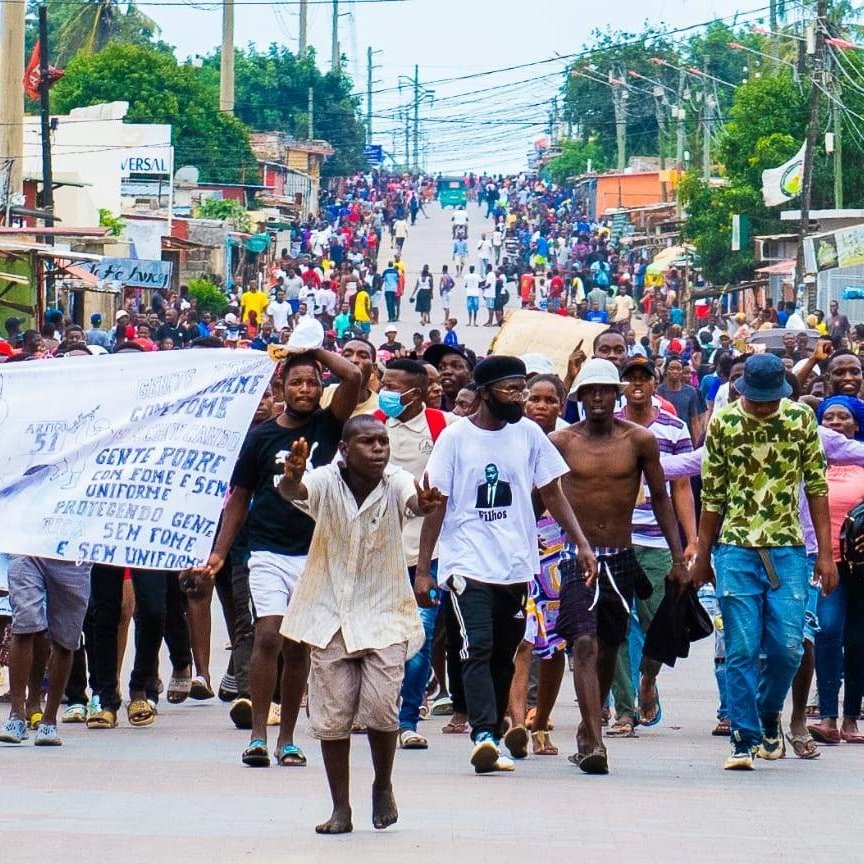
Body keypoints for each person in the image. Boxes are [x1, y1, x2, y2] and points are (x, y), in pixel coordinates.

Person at [417, 356, 596, 774]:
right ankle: (482, 734)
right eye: (510, 390)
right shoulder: (456, 438)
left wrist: (581, 543)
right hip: (466, 563)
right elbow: (436, 504)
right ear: (483, 393)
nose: (520, 397)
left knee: (504, 654)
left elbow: (552, 492)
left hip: (516, 564)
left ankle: (494, 733)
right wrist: (425, 569)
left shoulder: (529, 434)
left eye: (522, 388)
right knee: (476, 646)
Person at [277, 416, 443, 834]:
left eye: (383, 442)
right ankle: (340, 808)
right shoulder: (325, 480)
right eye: (368, 442)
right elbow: (294, 492)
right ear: (345, 451)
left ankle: (383, 784)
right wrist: (292, 476)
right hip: (329, 611)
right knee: (332, 717)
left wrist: (425, 504)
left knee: (382, 709)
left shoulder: (397, 479)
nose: (378, 449)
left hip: (385, 612)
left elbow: (415, 502)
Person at [198, 348, 361, 768]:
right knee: (268, 635)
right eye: (296, 382)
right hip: (266, 550)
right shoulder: (260, 437)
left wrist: (311, 351)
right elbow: (239, 499)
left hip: (315, 552)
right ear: (281, 388)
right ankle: (256, 735)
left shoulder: (330, 424)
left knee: (297, 646)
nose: (305, 389)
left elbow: (355, 377)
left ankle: (287, 737)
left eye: (312, 382)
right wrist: (218, 552)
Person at [691, 353, 837, 770]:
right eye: (756, 399)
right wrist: (702, 555)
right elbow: (713, 494)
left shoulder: (799, 421)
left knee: (788, 647)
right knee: (741, 646)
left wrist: (825, 555)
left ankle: (769, 711)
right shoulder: (724, 423)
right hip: (735, 546)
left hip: (788, 547)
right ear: (741, 391)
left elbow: (817, 486)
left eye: (770, 399)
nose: (763, 406)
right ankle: (743, 737)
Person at [550, 358, 688, 774]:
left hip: (621, 557)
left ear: (619, 394)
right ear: (578, 397)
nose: (598, 397)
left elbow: (662, 498)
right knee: (584, 644)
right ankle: (594, 740)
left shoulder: (640, 440)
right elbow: (543, 496)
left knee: (611, 644)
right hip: (577, 559)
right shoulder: (561, 442)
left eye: (606, 390)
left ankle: (588, 727)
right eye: (590, 391)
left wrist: (679, 556)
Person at [608, 356, 698, 737]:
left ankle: (648, 679)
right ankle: (624, 710)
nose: (638, 383)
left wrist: (690, 539)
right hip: (616, 540)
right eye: (631, 378)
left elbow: (680, 487)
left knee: (661, 625)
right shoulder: (609, 425)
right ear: (623, 385)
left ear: (655, 382)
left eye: (645, 377)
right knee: (613, 628)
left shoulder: (673, 428)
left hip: (658, 541)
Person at [371, 359, 451, 750]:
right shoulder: (371, 424)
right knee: (375, 635)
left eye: (392, 385)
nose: (383, 390)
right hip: (375, 550)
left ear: (415, 394)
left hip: (427, 553)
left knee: (420, 635)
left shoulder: (443, 428)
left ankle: (407, 719)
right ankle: (376, 711)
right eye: (382, 382)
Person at [807, 396, 864, 745]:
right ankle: (827, 715)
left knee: (858, 639)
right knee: (826, 632)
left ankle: (851, 717)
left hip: (861, 564)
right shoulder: (809, 458)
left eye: (844, 416)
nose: (836, 422)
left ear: (856, 425)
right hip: (825, 561)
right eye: (829, 416)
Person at [658, 355, 707, 444]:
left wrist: (697, 446)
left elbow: (694, 421)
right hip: (664, 436)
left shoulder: (691, 392)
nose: (675, 372)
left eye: (678, 369)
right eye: (671, 368)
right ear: (665, 371)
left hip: (684, 437)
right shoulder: (658, 391)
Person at [423, 344, 475, 412]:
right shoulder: (427, 410)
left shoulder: (480, 411)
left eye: (457, 366)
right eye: (441, 367)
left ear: (471, 375)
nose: (446, 372)